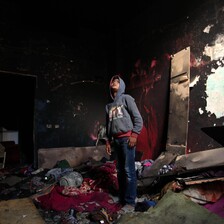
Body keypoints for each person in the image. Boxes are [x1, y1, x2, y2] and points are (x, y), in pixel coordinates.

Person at [105, 75, 143, 213]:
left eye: (117, 81)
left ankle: (130, 202)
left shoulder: (126, 98)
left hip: (127, 139)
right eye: (112, 81)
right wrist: (108, 141)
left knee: (129, 171)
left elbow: (138, 118)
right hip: (116, 140)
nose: (114, 82)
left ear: (121, 85)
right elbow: (108, 125)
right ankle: (122, 199)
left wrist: (134, 135)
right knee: (120, 171)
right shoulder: (108, 106)